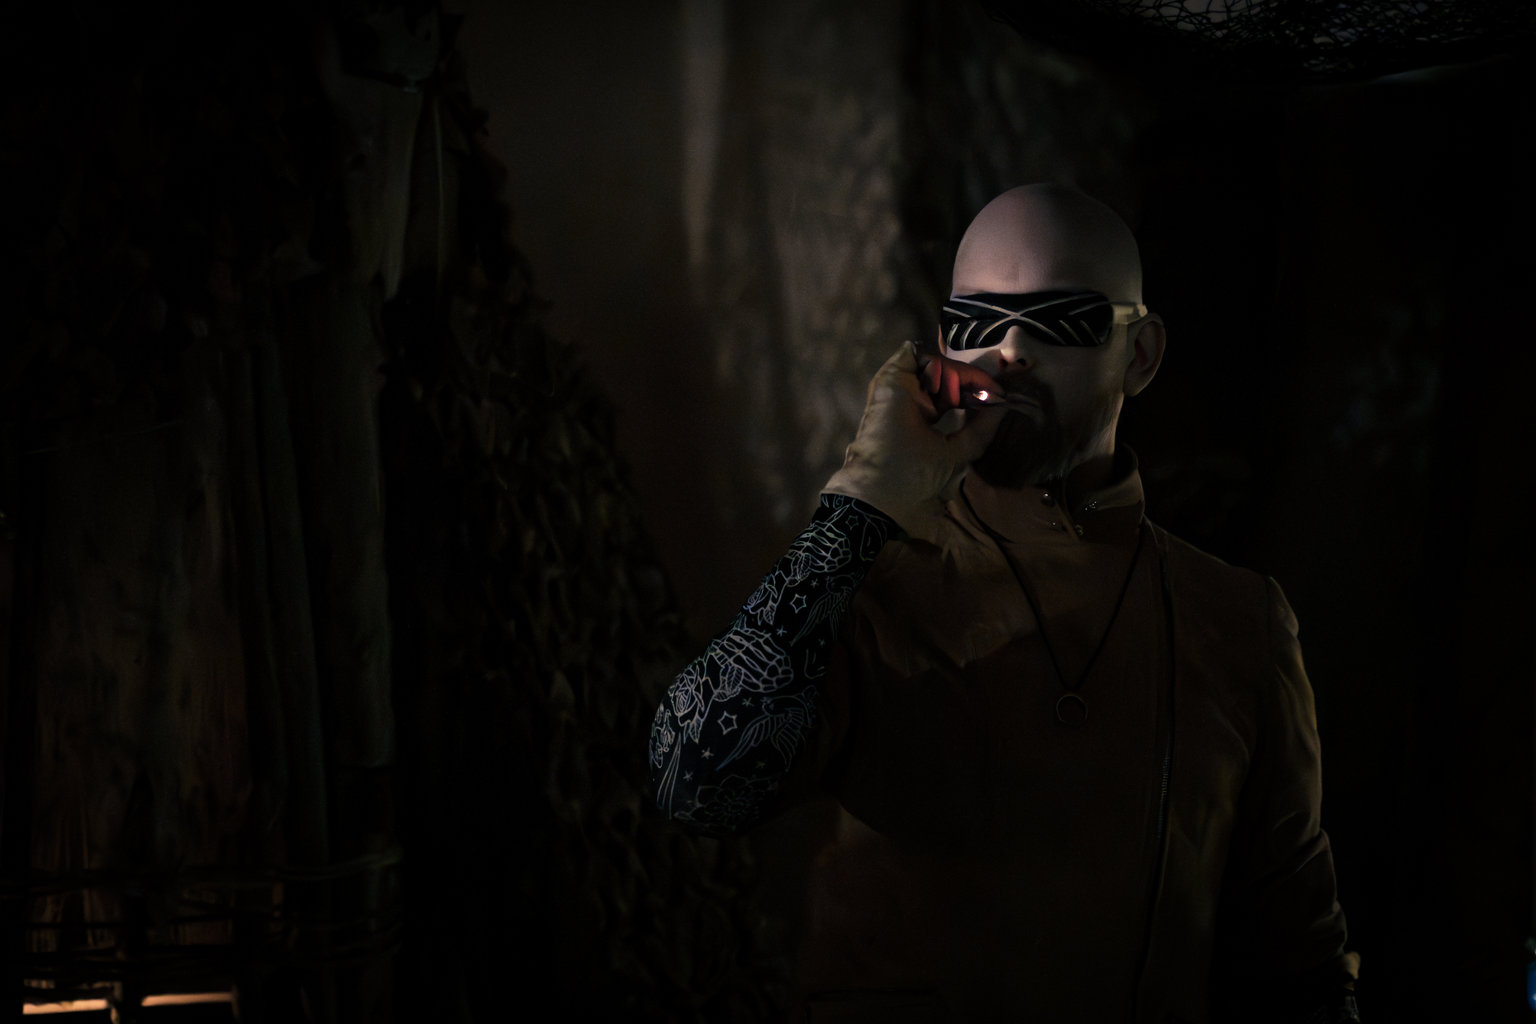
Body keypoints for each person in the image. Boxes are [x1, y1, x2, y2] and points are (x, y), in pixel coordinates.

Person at [648, 183, 1359, 1022]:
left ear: (1139, 353)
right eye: (978, 321)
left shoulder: (1236, 620)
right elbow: (694, 785)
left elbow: (1295, 960)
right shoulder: (868, 581)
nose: (1011, 350)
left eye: (1060, 319)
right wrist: (858, 507)